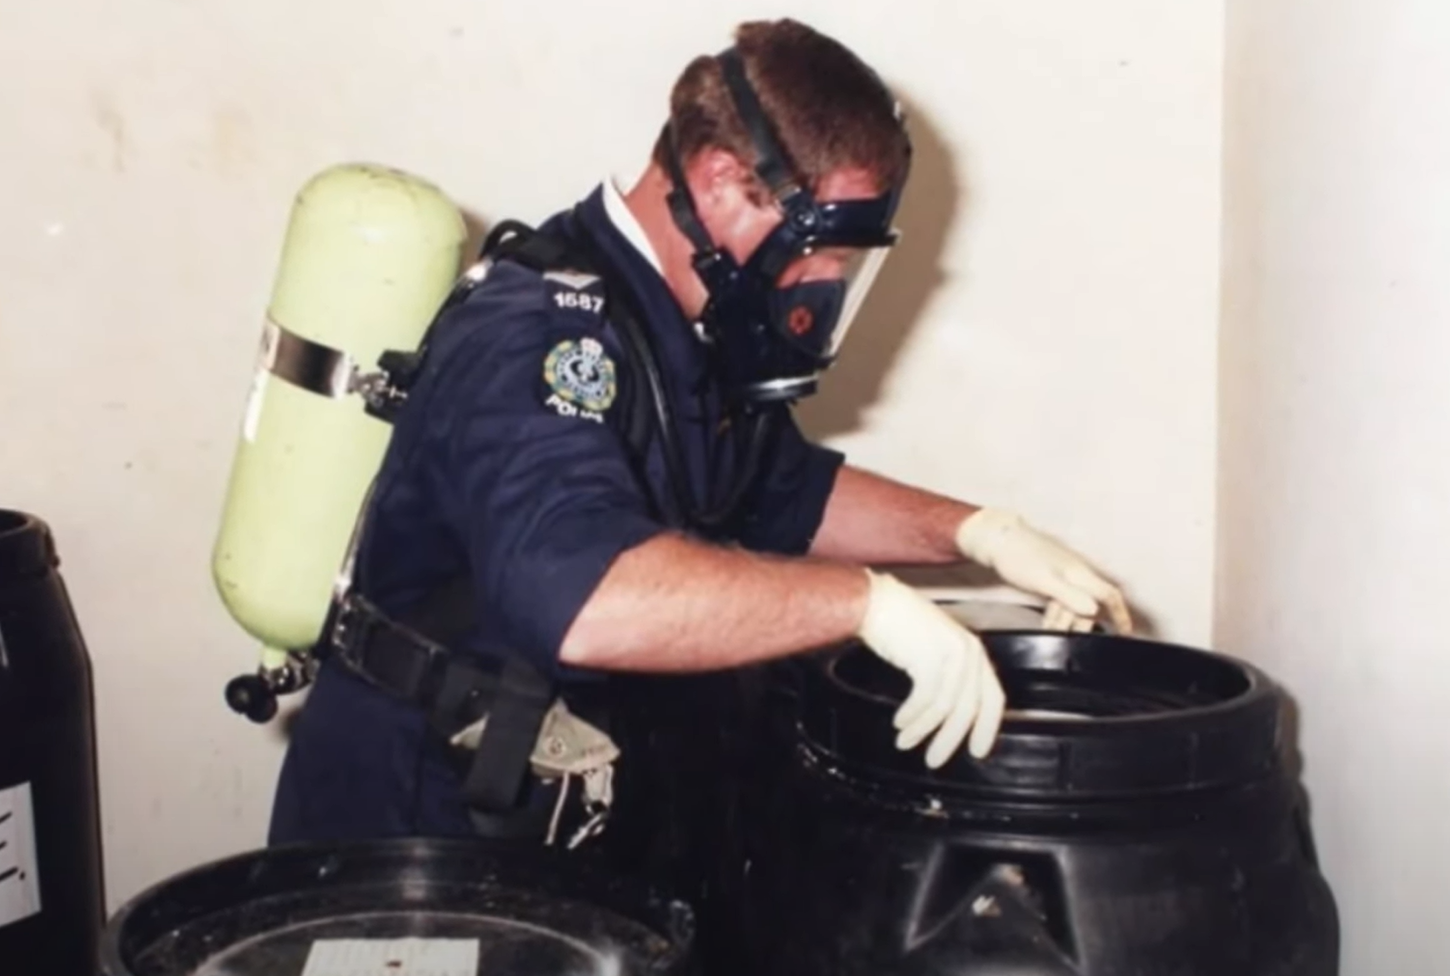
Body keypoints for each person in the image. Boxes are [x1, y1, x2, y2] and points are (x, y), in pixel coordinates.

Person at [266, 18, 1132, 851]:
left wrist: (982, 531)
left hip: (522, 798)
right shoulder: (543, 335)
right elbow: (587, 601)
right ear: (720, 182)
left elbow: (783, 491)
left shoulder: (678, 323)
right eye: (822, 249)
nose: (825, 283)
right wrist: (865, 604)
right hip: (412, 825)